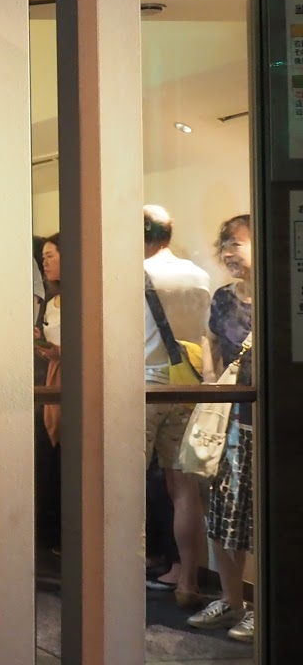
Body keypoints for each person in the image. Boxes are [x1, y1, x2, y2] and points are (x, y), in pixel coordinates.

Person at [187, 214, 257, 642]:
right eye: (225, 244)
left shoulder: (277, 295)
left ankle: (264, 607)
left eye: (237, 244)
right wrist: (208, 388)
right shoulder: (223, 298)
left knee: (263, 516)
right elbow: (211, 346)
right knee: (223, 515)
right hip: (228, 421)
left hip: (266, 422)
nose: (229, 253)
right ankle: (233, 600)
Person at [141, 204, 213, 608]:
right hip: (187, 387)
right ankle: (188, 581)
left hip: (144, 387)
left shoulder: (136, 273)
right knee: (184, 488)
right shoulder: (198, 275)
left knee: (124, 484)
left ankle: (118, 576)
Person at [33, 233, 62, 553]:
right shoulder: (51, 303)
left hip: (72, 379)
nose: (45, 262)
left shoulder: (85, 298)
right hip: (52, 378)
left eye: (51, 255)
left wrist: (58, 352)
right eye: (43, 257)